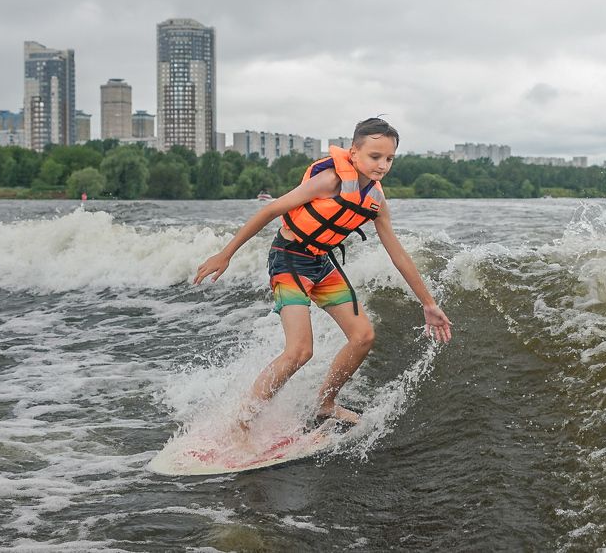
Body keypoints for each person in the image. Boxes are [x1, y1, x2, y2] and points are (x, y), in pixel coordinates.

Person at [193, 117, 452, 431]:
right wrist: (226, 253)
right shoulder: (329, 180)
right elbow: (270, 210)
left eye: (389, 158)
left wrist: (428, 303)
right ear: (353, 153)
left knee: (363, 337)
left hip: (321, 264)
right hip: (289, 259)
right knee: (300, 350)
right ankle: (242, 422)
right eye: (375, 156)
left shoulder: (376, 200)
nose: (383, 165)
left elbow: (397, 252)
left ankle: (325, 404)